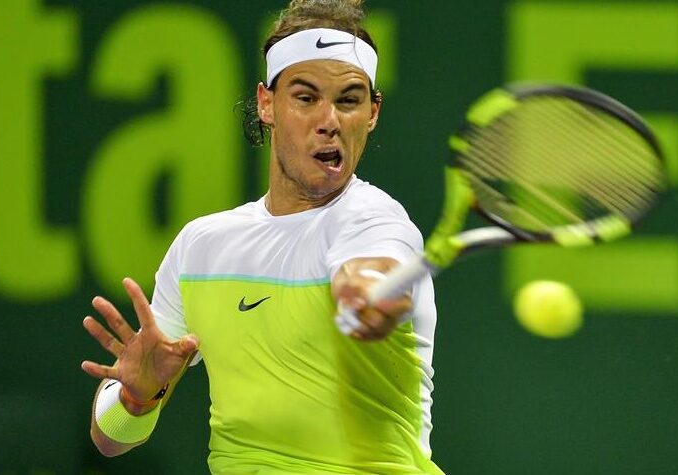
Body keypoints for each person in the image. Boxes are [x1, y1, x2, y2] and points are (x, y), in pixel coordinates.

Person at [81, 0, 442, 473]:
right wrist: (136, 397)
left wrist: (368, 294)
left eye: (349, 100)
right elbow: (109, 442)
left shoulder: (378, 222)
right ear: (267, 103)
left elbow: (374, 265)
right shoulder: (202, 248)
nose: (329, 120)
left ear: (372, 113)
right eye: (306, 98)